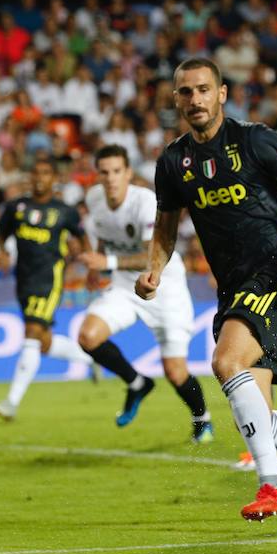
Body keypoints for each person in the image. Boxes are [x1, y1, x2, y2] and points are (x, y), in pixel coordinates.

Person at [136, 58, 277, 521]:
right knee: (259, 417)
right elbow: (166, 225)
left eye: (204, 89)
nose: (195, 99)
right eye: (186, 92)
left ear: (221, 94)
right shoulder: (173, 161)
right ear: (176, 99)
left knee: (225, 362)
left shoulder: (254, 139)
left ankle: (274, 485)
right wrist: (153, 270)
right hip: (234, 285)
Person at [75, 144, 214, 443]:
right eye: (104, 172)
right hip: (126, 285)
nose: (111, 178)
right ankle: (137, 383)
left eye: (116, 171)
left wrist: (107, 262)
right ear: (96, 175)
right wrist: (95, 268)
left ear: (128, 173)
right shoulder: (94, 199)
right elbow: (103, 236)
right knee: (88, 336)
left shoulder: (145, 202)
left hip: (164, 285)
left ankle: (202, 419)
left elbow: (155, 253)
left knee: (176, 372)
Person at [0, 157, 97, 421]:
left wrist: (90, 266)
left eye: (46, 173)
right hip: (23, 280)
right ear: (30, 176)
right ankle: (91, 358)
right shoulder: (16, 207)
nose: (40, 178)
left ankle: (11, 403)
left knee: (32, 333)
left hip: (49, 279)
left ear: (54, 178)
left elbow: (82, 239)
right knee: (43, 342)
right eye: (36, 172)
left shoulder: (65, 211)